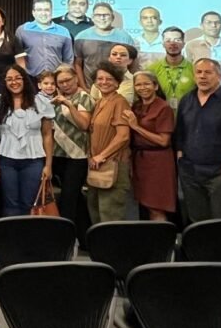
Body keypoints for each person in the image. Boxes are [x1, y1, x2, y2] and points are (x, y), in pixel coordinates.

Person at [175, 57, 221, 222]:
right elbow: (180, 132)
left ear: (219, 77)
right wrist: (181, 159)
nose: (202, 76)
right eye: (199, 72)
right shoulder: (186, 100)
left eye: (208, 72)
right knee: (196, 221)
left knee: (220, 222)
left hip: (218, 173)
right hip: (189, 172)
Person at [0, 64, 54, 216]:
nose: (14, 82)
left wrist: (48, 165)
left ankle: (26, 231)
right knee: (10, 204)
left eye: (18, 78)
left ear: (25, 80)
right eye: (9, 79)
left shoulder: (40, 102)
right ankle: (11, 231)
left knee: (28, 203)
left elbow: (47, 135)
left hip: (34, 161)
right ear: (4, 82)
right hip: (6, 161)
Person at [124, 71, 176, 221]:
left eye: (146, 84)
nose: (142, 88)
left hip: (158, 161)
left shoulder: (163, 107)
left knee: (156, 206)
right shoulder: (137, 106)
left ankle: (162, 235)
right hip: (140, 160)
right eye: (138, 84)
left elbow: (163, 140)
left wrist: (136, 127)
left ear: (155, 86)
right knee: (144, 205)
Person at [86, 61, 132, 224]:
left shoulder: (120, 102)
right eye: (100, 79)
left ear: (117, 82)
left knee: (110, 216)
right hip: (97, 166)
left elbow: (123, 136)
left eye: (109, 79)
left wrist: (101, 156)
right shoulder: (99, 102)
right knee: (95, 212)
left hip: (114, 165)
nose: (104, 82)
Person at [50, 65, 92, 227]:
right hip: (57, 154)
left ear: (75, 78)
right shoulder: (54, 98)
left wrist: (69, 105)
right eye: (60, 82)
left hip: (77, 155)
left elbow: (84, 124)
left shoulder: (83, 97)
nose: (65, 84)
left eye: (68, 80)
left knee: (69, 198)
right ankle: (84, 234)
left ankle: (65, 234)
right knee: (74, 197)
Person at [74, 2, 137, 89]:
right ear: (92, 17)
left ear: (112, 17)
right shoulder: (81, 37)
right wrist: (84, 87)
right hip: (90, 89)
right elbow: (78, 64)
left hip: (119, 89)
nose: (102, 18)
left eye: (106, 15)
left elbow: (132, 64)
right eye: (98, 15)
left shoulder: (124, 37)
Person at [15, 0, 74, 78]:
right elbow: (17, 57)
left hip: (56, 79)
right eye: (39, 10)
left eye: (47, 10)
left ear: (52, 11)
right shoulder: (22, 30)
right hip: (30, 78)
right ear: (33, 12)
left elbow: (68, 60)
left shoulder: (64, 32)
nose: (43, 13)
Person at [148, 27, 196, 112]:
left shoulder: (194, 69)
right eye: (168, 40)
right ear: (163, 44)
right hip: (160, 116)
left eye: (177, 40)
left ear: (184, 44)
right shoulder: (152, 70)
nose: (173, 43)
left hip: (187, 116)